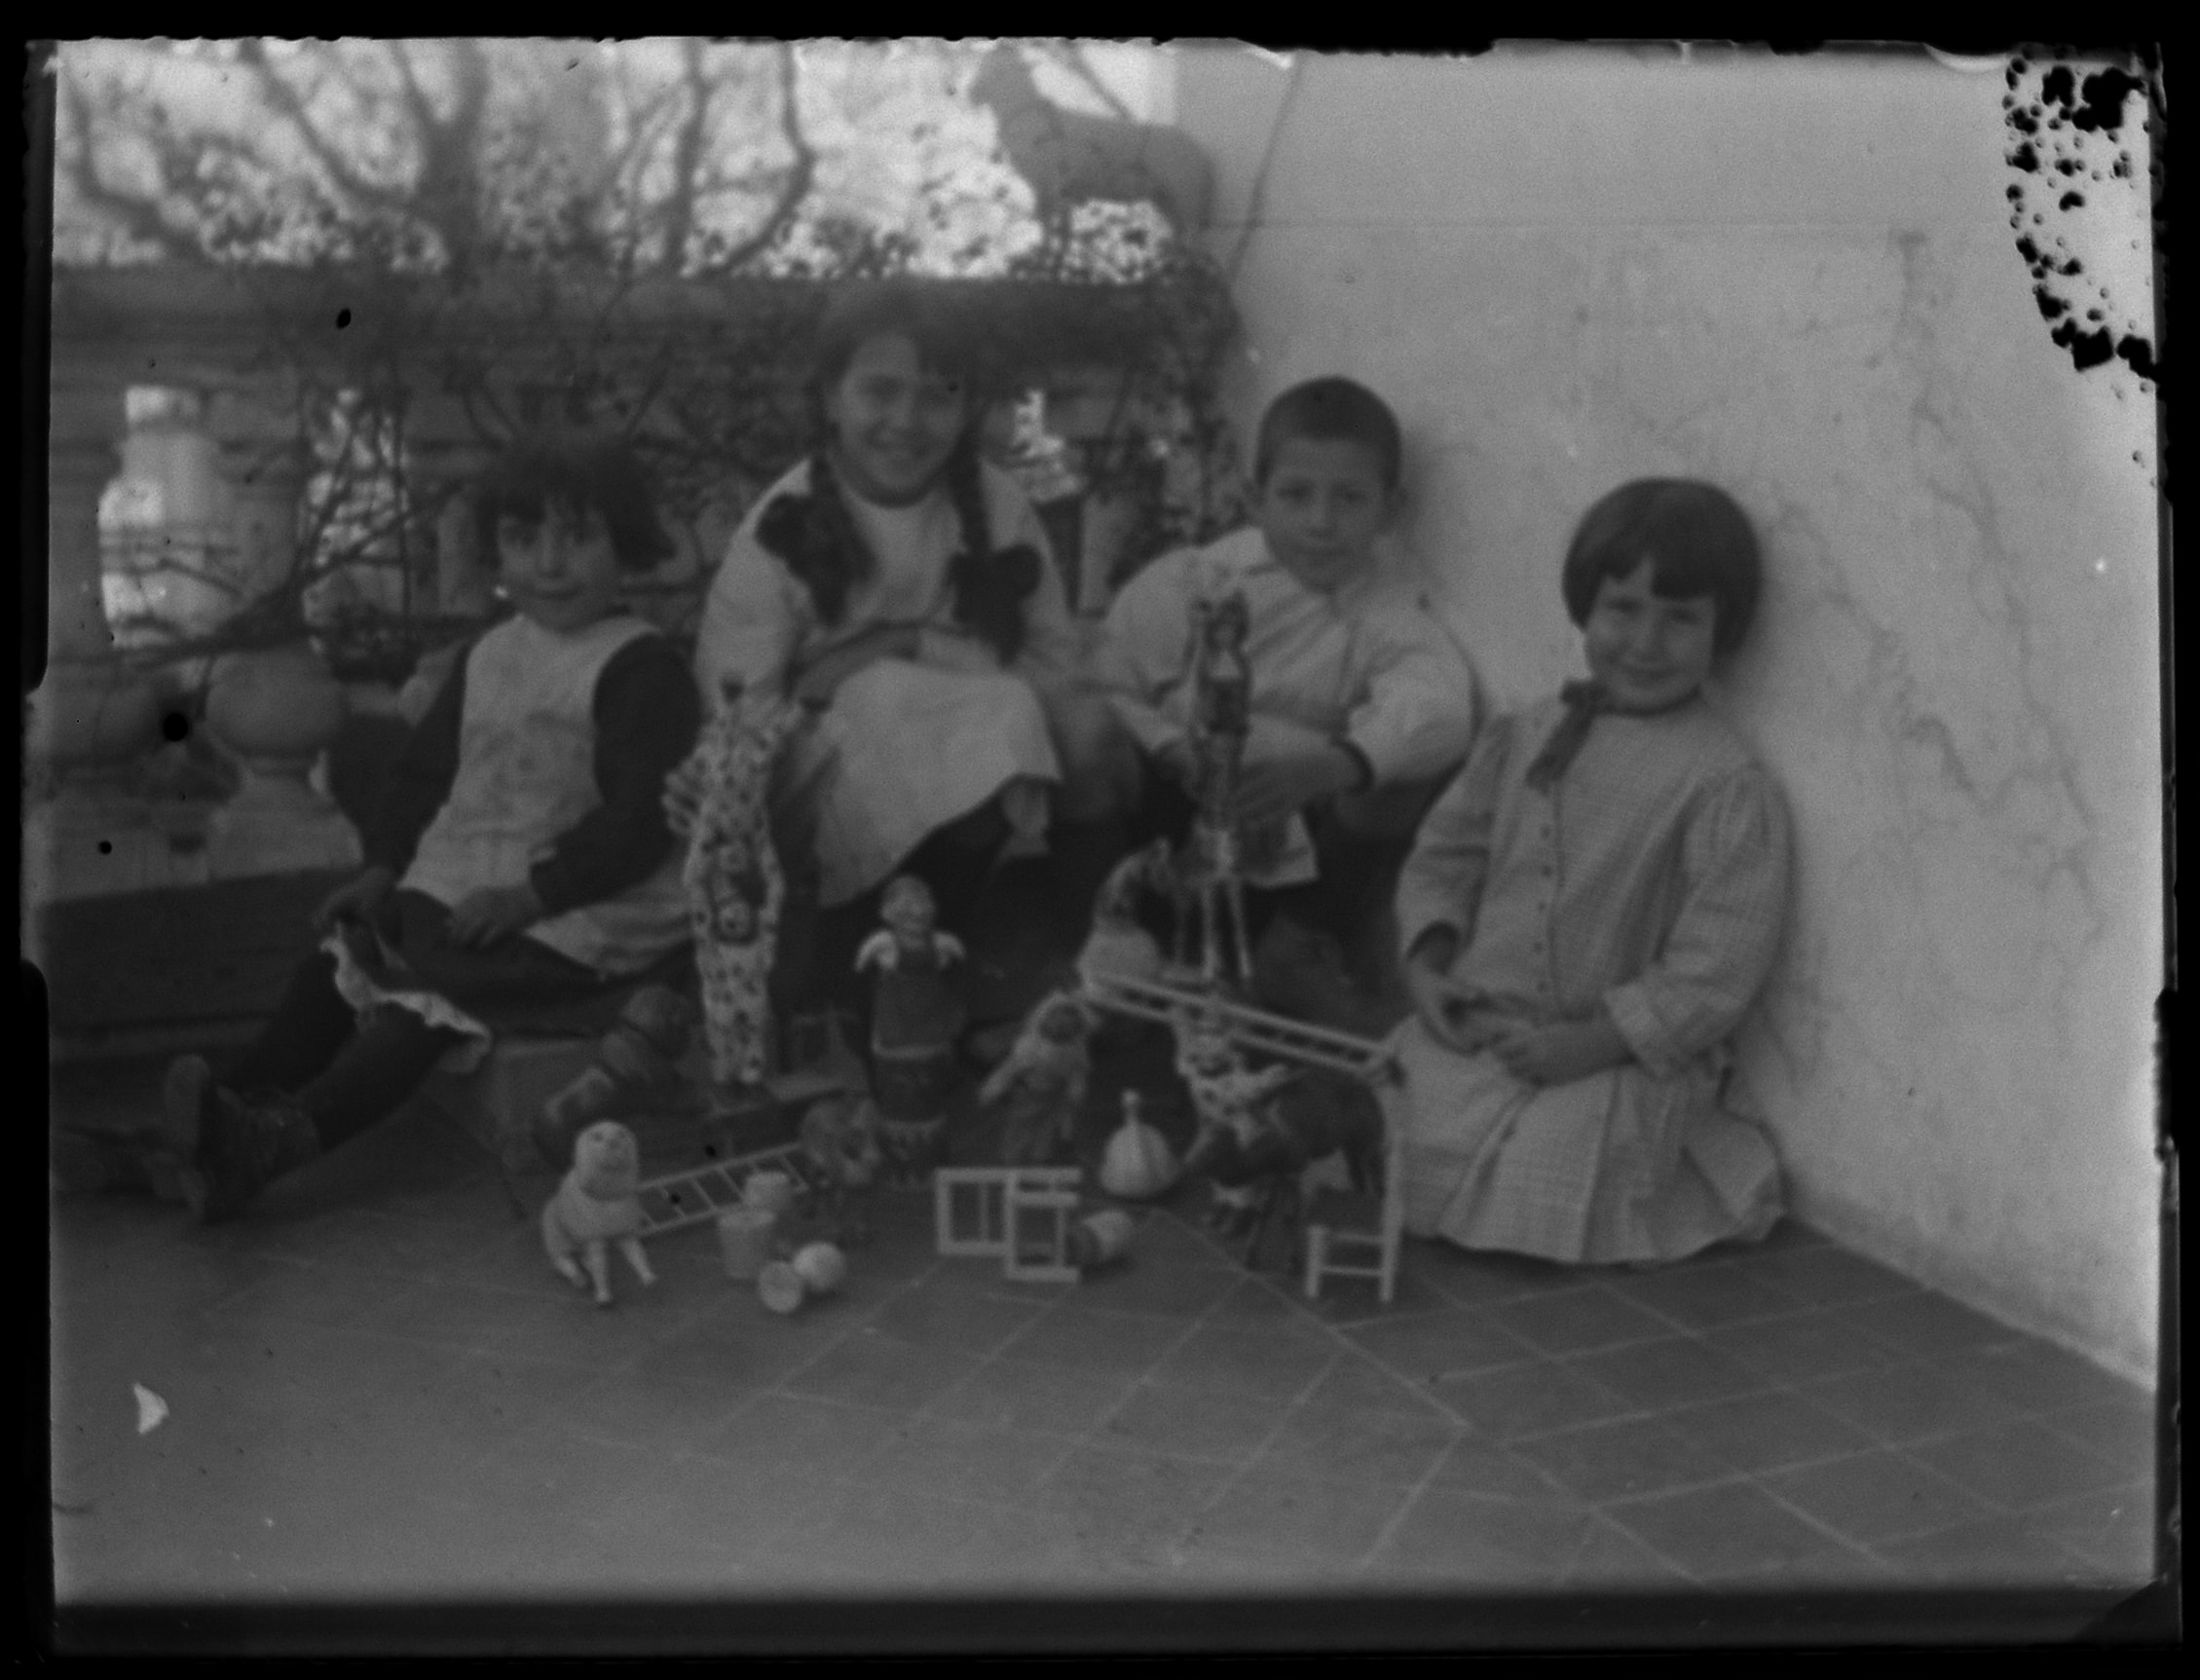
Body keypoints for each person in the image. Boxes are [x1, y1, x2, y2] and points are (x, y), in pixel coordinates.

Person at [149, 431, 703, 1222]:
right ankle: (217, 1115)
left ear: (629, 545)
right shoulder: (490, 655)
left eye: (579, 537)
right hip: (485, 893)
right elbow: (423, 775)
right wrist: (384, 866)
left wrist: (530, 896)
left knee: (422, 1003)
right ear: (497, 552)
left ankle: (275, 1142)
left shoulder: (641, 669)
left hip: (589, 913)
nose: (549, 564)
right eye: (524, 539)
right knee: (343, 957)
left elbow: (638, 824)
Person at [1387, 478, 1793, 1265]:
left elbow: (1718, 962)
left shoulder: (1722, 783)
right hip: (1488, 1028)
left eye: (1680, 618)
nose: (1644, 642)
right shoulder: (1524, 732)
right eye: (1622, 609)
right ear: (1584, 606)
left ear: (1726, 628)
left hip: (1615, 1056)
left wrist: (1597, 1041)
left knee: (1550, 1164)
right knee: (1394, 1118)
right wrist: (1426, 967)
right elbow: (1445, 856)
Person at [691, 280, 1130, 944]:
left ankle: (1085, 947)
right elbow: (740, 721)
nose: (906, 421)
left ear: (966, 407)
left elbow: (1051, 662)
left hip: (972, 732)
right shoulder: (782, 528)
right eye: (880, 391)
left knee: (1080, 727)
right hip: (819, 776)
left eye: (937, 395)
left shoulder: (995, 504)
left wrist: (902, 642)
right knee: (937, 709)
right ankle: (881, 942)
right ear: (830, 398)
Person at [1091, 376, 1479, 960]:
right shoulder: (1196, 580)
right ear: (1256, 499)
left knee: (1405, 772)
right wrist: (1171, 748)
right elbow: (1109, 677)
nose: (1321, 522)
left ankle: (1300, 942)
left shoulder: (1384, 613)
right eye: (1295, 495)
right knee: (1093, 732)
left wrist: (1334, 766)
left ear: (1390, 509)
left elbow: (1441, 710)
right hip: (1174, 796)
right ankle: (1102, 932)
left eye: (1350, 498)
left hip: (1282, 823)